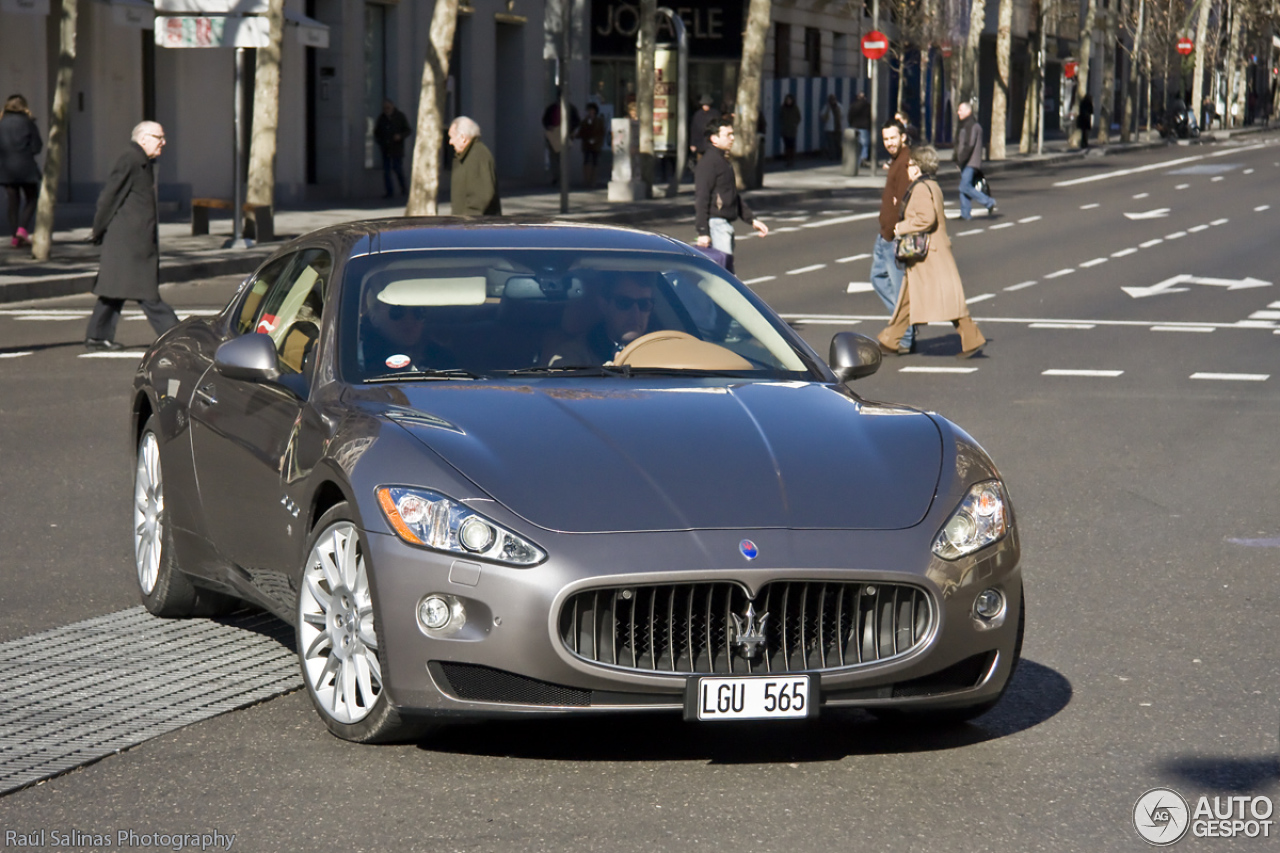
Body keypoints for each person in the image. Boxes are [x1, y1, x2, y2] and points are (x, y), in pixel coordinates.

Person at [877, 145, 986, 359]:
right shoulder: (932, 185)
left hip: (928, 255)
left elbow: (926, 219)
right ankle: (890, 339)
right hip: (932, 253)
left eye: (910, 165)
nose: (908, 169)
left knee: (947, 299)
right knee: (911, 298)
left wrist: (902, 227)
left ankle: (971, 337)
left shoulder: (920, 188)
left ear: (918, 167)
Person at [84, 122, 180, 351]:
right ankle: (176, 335)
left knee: (114, 290)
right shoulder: (130, 159)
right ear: (144, 138)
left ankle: (97, 337)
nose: (163, 142)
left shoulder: (141, 161)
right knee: (146, 293)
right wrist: (98, 229)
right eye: (159, 137)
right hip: (128, 242)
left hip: (131, 240)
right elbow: (110, 196)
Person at [694, 117, 769, 270]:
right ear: (714, 138)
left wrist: (752, 220)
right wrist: (702, 231)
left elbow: (732, 195)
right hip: (717, 225)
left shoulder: (722, 161)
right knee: (724, 274)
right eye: (728, 135)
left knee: (723, 273)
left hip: (723, 225)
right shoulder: (709, 162)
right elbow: (701, 198)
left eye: (732, 134)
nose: (732, 138)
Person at [868, 118, 914, 353]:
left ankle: (904, 335)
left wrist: (897, 229)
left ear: (903, 137)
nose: (889, 143)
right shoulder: (897, 161)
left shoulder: (904, 162)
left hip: (894, 237)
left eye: (893, 138)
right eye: (886, 139)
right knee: (878, 278)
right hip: (885, 235)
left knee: (896, 288)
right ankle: (904, 327)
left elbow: (905, 200)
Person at [549, 272, 658, 366]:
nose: (635, 314)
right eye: (624, 303)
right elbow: (563, 389)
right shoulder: (572, 355)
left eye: (644, 304)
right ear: (603, 305)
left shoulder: (661, 349)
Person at [1, 94, 42, 248]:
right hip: (26, 167)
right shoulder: (28, 122)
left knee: (13, 202)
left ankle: (14, 236)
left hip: (6, 168)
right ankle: (22, 229)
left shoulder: (1, 123)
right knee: (32, 197)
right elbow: (37, 146)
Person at [447, 116, 501, 216]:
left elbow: (481, 197)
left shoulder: (478, 156)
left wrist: (468, 222)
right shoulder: (467, 156)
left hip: (475, 227)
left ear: (462, 137)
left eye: (451, 137)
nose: (450, 142)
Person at [954, 101, 996, 219]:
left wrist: (961, 160)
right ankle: (965, 214)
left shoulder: (971, 125)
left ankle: (988, 201)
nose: (958, 113)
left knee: (964, 187)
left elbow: (969, 145)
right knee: (964, 187)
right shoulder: (966, 124)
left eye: (960, 110)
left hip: (970, 162)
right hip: (967, 161)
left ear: (968, 111)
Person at [373, 99, 411, 198]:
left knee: (398, 169)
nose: (387, 110)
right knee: (386, 171)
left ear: (392, 107)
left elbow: (408, 130)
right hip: (385, 149)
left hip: (396, 148)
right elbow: (376, 132)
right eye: (385, 108)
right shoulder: (381, 118)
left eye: (388, 108)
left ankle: (404, 189)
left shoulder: (399, 116)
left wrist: (400, 136)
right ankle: (389, 192)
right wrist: (381, 142)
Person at [542, 95, 580, 185]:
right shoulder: (552, 108)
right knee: (554, 157)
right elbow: (545, 119)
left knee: (563, 158)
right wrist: (548, 126)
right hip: (554, 134)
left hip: (565, 135)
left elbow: (576, 121)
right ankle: (556, 176)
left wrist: (570, 130)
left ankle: (563, 177)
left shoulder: (571, 108)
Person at [575, 102, 606, 189]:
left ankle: (593, 180)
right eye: (589, 111)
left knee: (595, 162)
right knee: (586, 161)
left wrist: (597, 140)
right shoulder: (584, 121)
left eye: (592, 111)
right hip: (586, 145)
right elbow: (581, 132)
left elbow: (601, 132)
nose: (590, 112)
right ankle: (586, 180)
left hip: (596, 145)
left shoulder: (599, 121)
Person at [689, 94, 720, 162]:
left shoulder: (715, 114)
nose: (705, 106)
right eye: (704, 105)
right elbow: (694, 130)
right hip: (700, 144)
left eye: (707, 104)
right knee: (700, 162)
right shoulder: (697, 115)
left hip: (711, 144)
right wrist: (693, 144)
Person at [847, 92, 871, 165]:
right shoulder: (867, 106)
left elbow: (849, 116)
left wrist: (851, 124)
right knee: (865, 144)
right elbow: (870, 116)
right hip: (864, 127)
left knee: (856, 144)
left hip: (855, 126)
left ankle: (856, 159)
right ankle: (863, 158)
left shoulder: (853, 105)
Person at [778, 94, 801, 168]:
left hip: (792, 130)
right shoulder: (783, 108)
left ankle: (792, 160)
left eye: (790, 100)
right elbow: (780, 117)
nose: (788, 101)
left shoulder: (795, 108)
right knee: (786, 146)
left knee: (792, 145)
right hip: (785, 130)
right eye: (787, 100)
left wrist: (795, 124)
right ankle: (787, 160)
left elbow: (799, 117)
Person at [820, 94, 843, 160]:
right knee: (831, 144)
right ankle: (833, 156)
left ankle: (838, 156)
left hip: (837, 127)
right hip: (829, 128)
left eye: (834, 99)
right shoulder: (827, 107)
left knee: (838, 143)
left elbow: (842, 115)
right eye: (831, 99)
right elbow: (822, 116)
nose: (833, 101)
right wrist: (827, 110)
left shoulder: (839, 106)